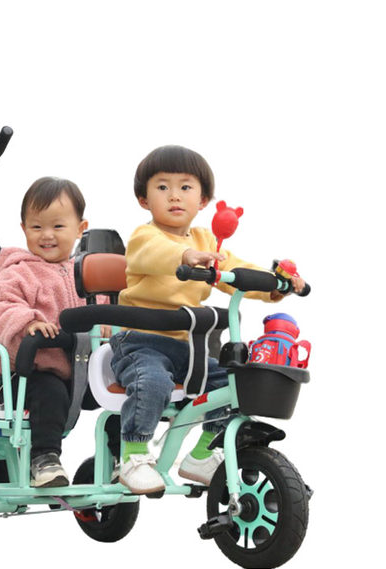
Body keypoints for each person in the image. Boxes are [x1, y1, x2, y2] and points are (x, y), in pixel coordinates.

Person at [110, 145, 305, 494]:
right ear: (143, 199)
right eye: (162, 187)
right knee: (152, 382)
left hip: (187, 346)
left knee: (234, 385)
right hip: (139, 341)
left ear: (202, 200)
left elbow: (236, 269)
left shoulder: (206, 240)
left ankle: (202, 454)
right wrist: (185, 255)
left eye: (185, 187)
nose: (174, 195)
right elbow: (154, 254)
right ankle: (134, 455)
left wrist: (277, 284)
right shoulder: (144, 237)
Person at [0, 177, 120, 488]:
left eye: (57, 226)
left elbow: (102, 302)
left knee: (119, 389)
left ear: (81, 228)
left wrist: (106, 318)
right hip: (29, 375)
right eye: (36, 227)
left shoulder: (86, 272)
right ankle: (43, 459)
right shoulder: (20, 272)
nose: (46, 235)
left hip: (82, 371)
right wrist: (28, 321)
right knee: (50, 392)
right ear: (23, 228)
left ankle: (122, 457)